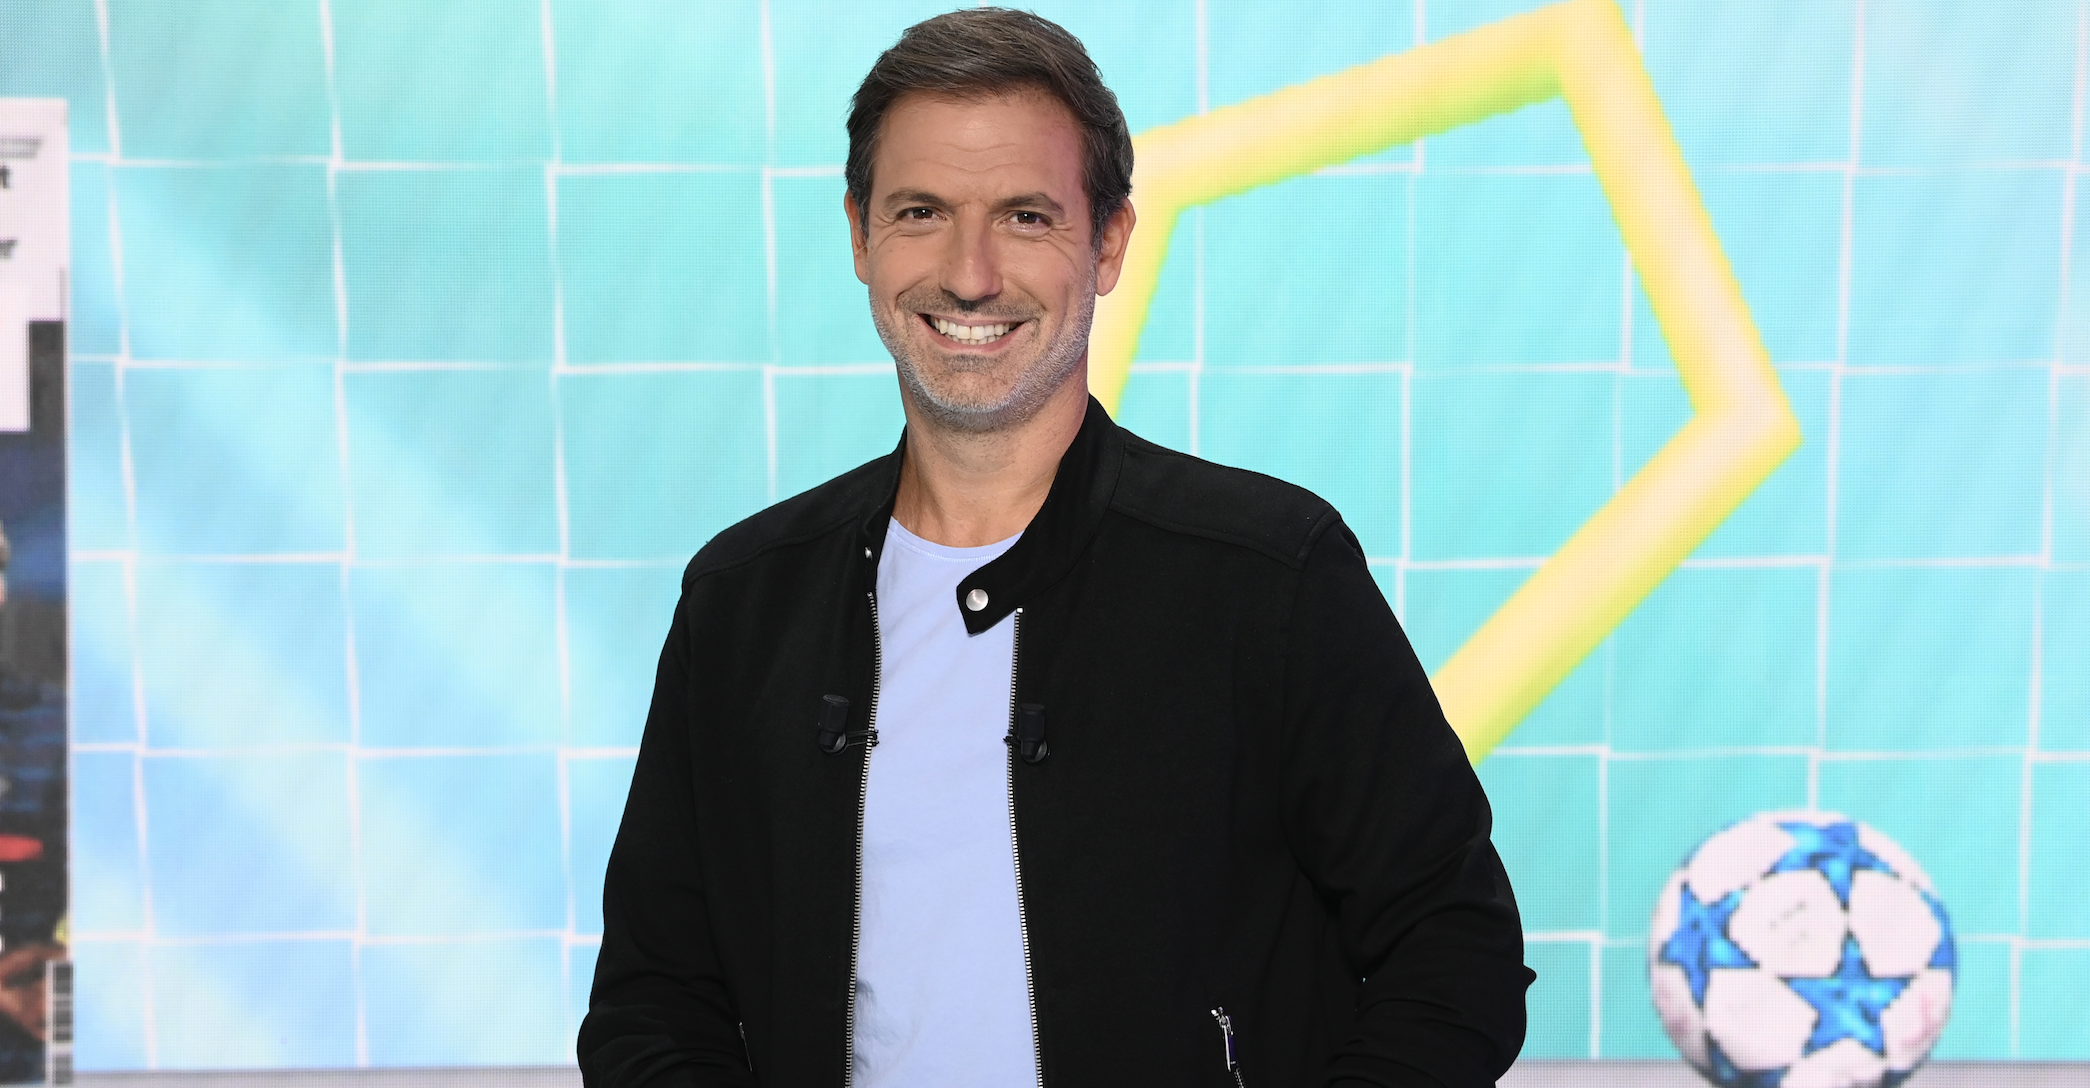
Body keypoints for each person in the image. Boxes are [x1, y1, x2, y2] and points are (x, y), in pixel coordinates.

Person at [579, 9, 1532, 1086]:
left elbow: (1453, 952)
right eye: (920, 212)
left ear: (1108, 242)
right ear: (858, 236)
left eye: (1025, 216)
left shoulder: (1269, 575)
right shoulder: (743, 602)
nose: (970, 273)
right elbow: (652, 1006)